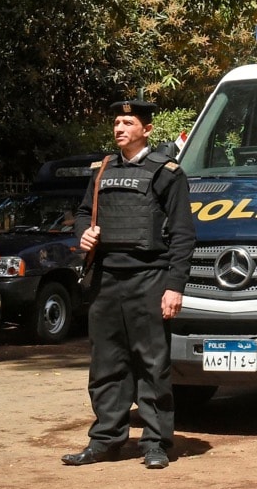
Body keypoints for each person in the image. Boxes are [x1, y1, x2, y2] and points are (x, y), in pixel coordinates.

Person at [62, 99, 196, 469]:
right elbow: (82, 213)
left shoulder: (167, 172)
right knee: (106, 364)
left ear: (147, 130)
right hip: (105, 278)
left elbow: (184, 235)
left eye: (128, 122)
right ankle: (105, 440)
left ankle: (155, 443)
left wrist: (175, 286)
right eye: (117, 122)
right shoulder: (102, 169)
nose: (120, 128)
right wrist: (83, 233)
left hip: (149, 278)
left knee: (152, 364)